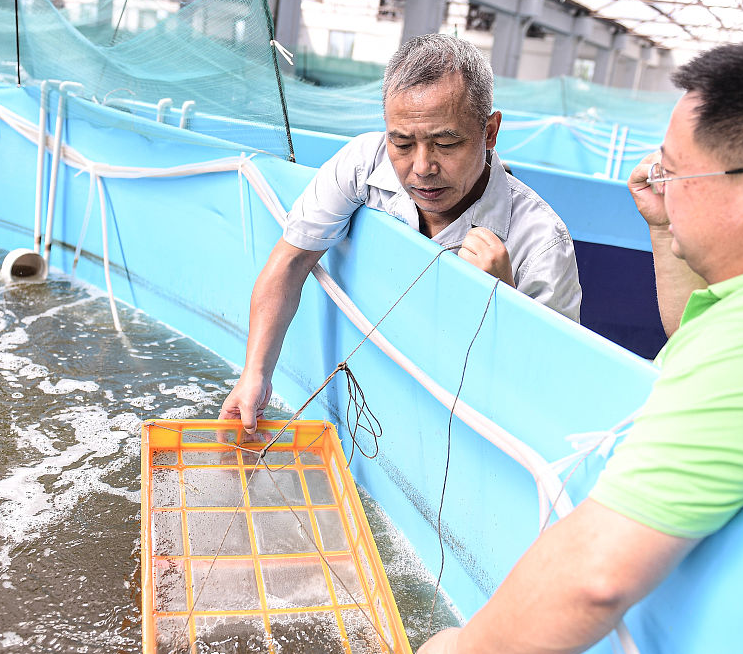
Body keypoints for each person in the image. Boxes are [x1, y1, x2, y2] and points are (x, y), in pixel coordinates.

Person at [406, 36, 743, 654]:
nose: (656, 179)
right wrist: (665, 227)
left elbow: (597, 574)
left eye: (677, 171)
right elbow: (697, 336)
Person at [220, 33, 581, 433]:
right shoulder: (364, 162)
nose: (422, 167)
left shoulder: (542, 244)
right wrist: (255, 374)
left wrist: (502, 302)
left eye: (446, 143)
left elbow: (552, 393)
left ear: (490, 131)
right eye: (403, 143)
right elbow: (290, 262)